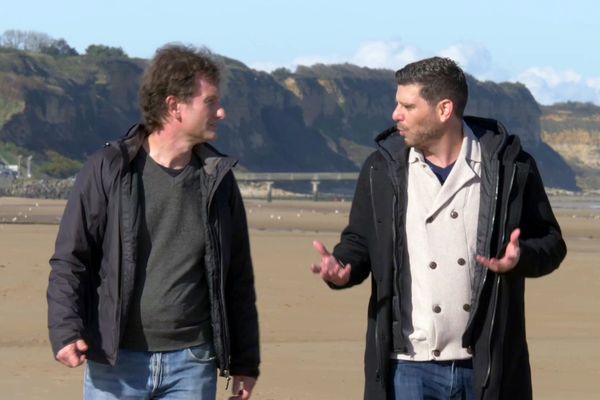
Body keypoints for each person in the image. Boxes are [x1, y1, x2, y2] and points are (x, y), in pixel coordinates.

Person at [311, 57, 566, 400]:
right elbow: (359, 241)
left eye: (407, 105)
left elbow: (551, 243)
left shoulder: (510, 167)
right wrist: (342, 268)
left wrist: (520, 258)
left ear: (444, 109)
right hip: (407, 366)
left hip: (485, 364)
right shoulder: (381, 169)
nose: (395, 114)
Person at [48, 44, 259, 400]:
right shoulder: (109, 168)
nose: (221, 112)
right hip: (116, 362)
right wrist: (66, 330)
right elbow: (71, 259)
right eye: (209, 102)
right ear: (174, 105)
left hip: (192, 361)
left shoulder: (217, 180)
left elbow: (238, 278)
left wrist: (244, 362)